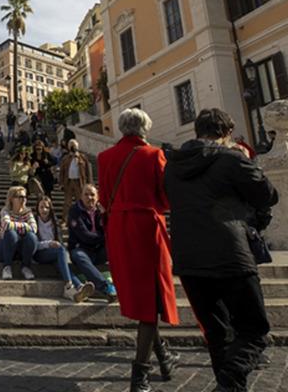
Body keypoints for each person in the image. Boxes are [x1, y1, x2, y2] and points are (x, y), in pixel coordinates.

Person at [165, 108, 278, 392]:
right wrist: (244, 160)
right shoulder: (231, 159)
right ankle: (229, 381)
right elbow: (267, 195)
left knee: (217, 334)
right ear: (226, 133)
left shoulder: (173, 165)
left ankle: (229, 387)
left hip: (189, 259)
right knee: (254, 331)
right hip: (231, 254)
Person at [98, 108, 179, 392]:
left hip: (118, 230)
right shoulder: (154, 154)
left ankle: (165, 357)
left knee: (143, 298)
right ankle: (140, 373)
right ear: (144, 127)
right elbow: (165, 199)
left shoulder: (104, 157)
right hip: (146, 227)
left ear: (122, 128)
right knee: (151, 299)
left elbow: (104, 197)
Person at [33, 196, 94, 302]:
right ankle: (71, 286)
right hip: (39, 254)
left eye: (47, 207)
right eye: (41, 207)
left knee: (61, 261)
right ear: (37, 208)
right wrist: (49, 244)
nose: (44, 210)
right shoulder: (33, 221)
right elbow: (33, 245)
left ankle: (78, 288)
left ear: (50, 209)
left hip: (53, 253)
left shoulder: (54, 222)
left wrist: (58, 248)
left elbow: (60, 242)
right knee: (60, 253)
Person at [67, 184, 117, 302]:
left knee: (116, 245)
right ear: (81, 196)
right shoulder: (74, 211)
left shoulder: (102, 210)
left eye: (92, 195)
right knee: (78, 255)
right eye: (86, 194)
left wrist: (105, 215)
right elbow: (85, 236)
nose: (90, 197)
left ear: (98, 197)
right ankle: (105, 287)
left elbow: (112, 230)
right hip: (82, 249)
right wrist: (104, 237)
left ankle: (126, 282)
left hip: (99, 250)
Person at [0, 186, 37, 280]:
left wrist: (16, 226)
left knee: (31, 237)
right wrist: (25, 226)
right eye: (20, 197)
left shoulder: (28, 213)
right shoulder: (5, 211)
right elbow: (7, 226)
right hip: (3, 248)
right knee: (11, 234)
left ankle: (26, 267)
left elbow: (34, 228)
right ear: (12, 198)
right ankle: (7, 267)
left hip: (20, 249)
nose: (23, 199)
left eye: (25, 197)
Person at [59, 139, 92, 218]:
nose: (72, 147)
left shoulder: (82, 158)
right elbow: (62, 172)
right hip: (69, 182)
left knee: (80, 201)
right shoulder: (65, 158)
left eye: (74, 145)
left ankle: (82, 217)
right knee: (67, 202)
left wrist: (89, 183)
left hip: (79, 182)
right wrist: (61, 183)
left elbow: (88, 171)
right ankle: (65, 219)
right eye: (71, 145)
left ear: (77, 146)